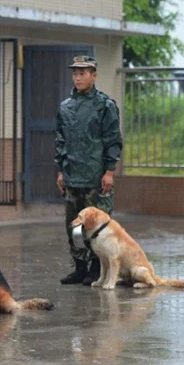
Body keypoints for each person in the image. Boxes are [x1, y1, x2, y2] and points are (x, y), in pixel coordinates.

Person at [55, 55, 122, 285]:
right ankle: (80, 267)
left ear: (94, 75)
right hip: (73, 176)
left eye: (83, 73)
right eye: (75, 73)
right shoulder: (65, 107)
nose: (78, 77)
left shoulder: (105, 106)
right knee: (73, 226)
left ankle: (96, 268)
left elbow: (113, 140)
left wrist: (110, 171)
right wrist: (61, 171)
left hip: (96, 177)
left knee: (97, 226)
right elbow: (61, 141)